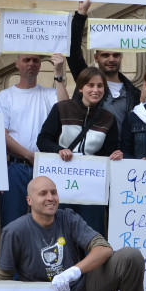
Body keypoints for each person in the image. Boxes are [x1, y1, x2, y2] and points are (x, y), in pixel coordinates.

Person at [0, 176, 145, 291]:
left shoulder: (68, 218)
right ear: (29, 200)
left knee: (130, 256)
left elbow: (103, 249)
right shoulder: (14, 231)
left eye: (54, 192)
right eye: (43, 194)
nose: (50, 198)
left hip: (80, 289)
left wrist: (73, 272)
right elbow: (3, 276)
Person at [37, 67, 124, 234]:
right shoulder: (61, 109)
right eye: (90, 85)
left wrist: (116, 154)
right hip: (61, 183)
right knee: (59, 231)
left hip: (92, 187)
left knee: (91, 233)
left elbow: (109, 151)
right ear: (80, 88)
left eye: (100, 86)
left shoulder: (109, 118)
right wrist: (59, 150)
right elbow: (43, 140)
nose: (95, 90)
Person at [0, 54, 63, 229]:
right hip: (16, 168)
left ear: (40, 65)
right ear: (16, 64)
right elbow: (0, 133)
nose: (31, 64)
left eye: (35, 60)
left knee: (47, 225)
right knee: (13, 225)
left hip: (46, 169)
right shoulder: (5, 96)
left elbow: (66, 111)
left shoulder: (49, 93)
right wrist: (28, 155)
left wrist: (59, 72)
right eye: (26, 60)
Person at [69, 0, 142, 127]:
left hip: (121, 148)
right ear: (96, 58)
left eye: (115, 55)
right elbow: (72, 51)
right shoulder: (86, 79)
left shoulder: (133, 92)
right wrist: (81, 14)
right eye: (105, 55)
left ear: (121, 57)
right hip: (89, 148)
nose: (111, 59)